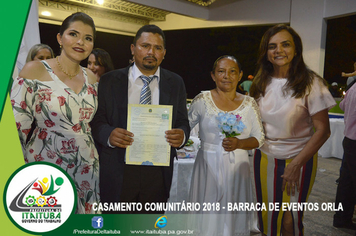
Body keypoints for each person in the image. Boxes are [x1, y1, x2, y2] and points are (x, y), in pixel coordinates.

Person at [90, 24, 190, 214]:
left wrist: (182, 136)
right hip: (118, 168)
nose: (151, 52)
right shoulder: (109, 80)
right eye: (145, 46)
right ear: (133, 48)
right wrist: (109, 134)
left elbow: (182, 122)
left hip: (158, 172)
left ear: (164, 53)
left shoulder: (175, 82)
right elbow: (97, 121)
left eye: (157, 48)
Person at [249, 24, 336, 236]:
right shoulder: (260, 82)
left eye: (285, 44)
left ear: (296, 49)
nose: (279, 50)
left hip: (300, 160)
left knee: (291, 220)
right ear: (266, 53)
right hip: (264, 160)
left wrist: (296, 164)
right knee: (268, 219)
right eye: (272, 46)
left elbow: (323, 130)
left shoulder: (312, 83)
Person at [11, 12, 100, 214]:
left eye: (88, 38)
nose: (80, 42)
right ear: (60, 38)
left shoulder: (92, 78)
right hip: (46, 161)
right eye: (73, 34)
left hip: (87, 165)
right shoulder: (35, 69)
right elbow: (17, 127)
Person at [188, 55, 264, 235]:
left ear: (240, 76)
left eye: (232, 72)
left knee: (233, 210)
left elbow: (259, 138)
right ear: (213, 75)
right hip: (207, 165)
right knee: (207, 209)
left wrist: (240, 143)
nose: (226, 76)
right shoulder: (201, 100)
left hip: (238, 166)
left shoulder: (250, 103)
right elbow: (184, 127)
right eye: (221, 71)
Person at [333, 80, 356, 231]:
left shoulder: (353, 87)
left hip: (350, 140)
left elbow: (342, 105)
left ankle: (341, 218)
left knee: (347, 182)